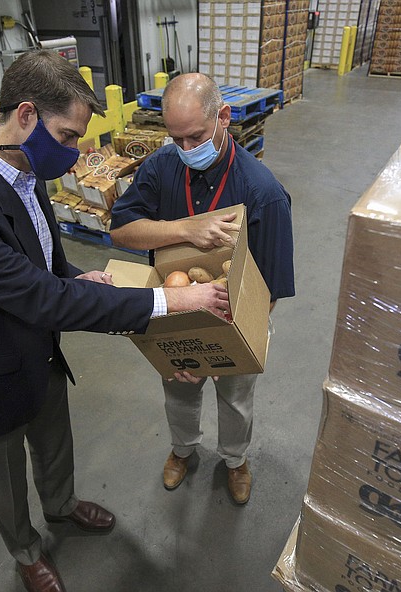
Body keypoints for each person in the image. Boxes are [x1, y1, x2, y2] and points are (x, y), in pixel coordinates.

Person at [0, 50, 228, 592]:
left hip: (39, 352)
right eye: (67, 137)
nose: (75, 152)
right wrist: (173, 303)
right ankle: (27, 550)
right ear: (26, 115)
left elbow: (45, 266)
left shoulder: (26, 174)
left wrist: (76, 276)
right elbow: (42, 299)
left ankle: (61, 505)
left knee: (55, 440)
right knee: (5, 477)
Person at [110, 73, 295, 506]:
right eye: (178, 139)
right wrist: (183, 229)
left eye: (196, 136)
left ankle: (235, 459)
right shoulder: (160, 167)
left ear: (224, 118)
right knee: (178, 385)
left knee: (236, 397)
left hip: (239, 321)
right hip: (175, 312)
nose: (188, 150)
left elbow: (270, 288)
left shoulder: (261, 192)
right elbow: (122, 230)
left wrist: (223, 347)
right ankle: (183, 448)